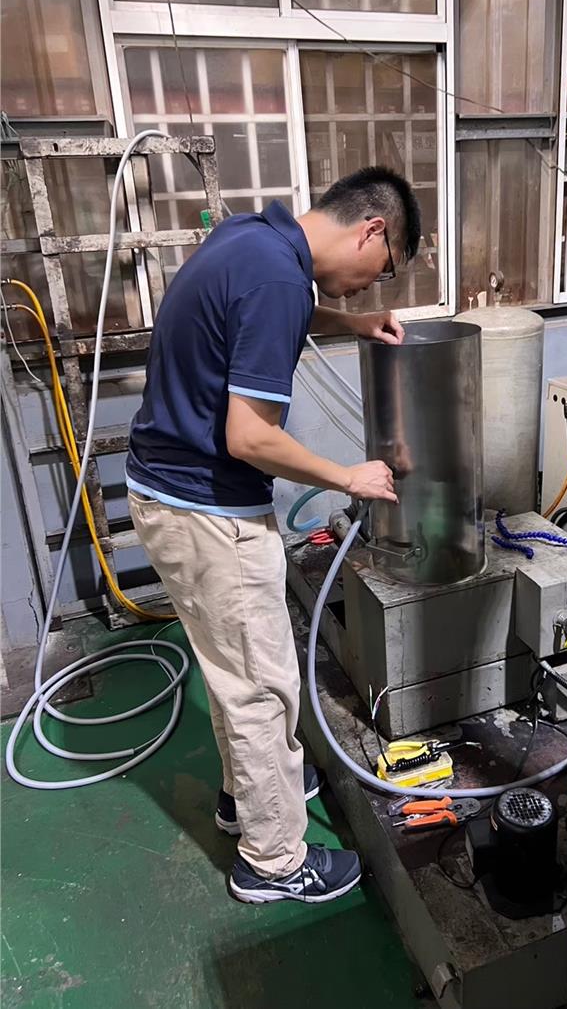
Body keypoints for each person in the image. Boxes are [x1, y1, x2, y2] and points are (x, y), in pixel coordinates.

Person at [127, 166, 420, 904]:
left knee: (234, 673)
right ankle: (274, 862)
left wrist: (352, 325)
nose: (370, 286)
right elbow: (251, 438)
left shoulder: (253, 240)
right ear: (373, 231)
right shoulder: (279, 279)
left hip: (169, 496)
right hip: (208, 515)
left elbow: (274, 313)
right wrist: (347, 476)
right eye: (382, 270)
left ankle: (245, 800)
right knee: (262, 688)